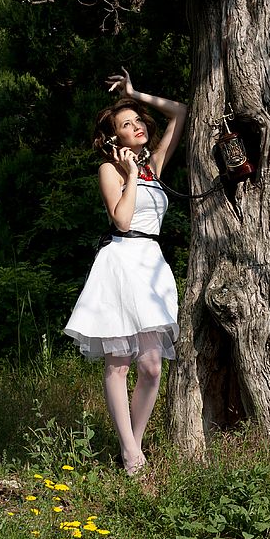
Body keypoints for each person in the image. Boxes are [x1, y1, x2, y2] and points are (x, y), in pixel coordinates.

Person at [63, 67, 187, 476]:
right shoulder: (111, 170)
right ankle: (132, 454)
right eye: (125, 124)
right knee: (118, 363)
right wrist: (131, 175)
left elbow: (181, 112)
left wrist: (136, 94)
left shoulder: (155, 165)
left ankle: (131, 443)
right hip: (120, 261)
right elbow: (121, 219)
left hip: (151, 265)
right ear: (113, 137)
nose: (135, 127)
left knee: (152, 366)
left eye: (137, 121)